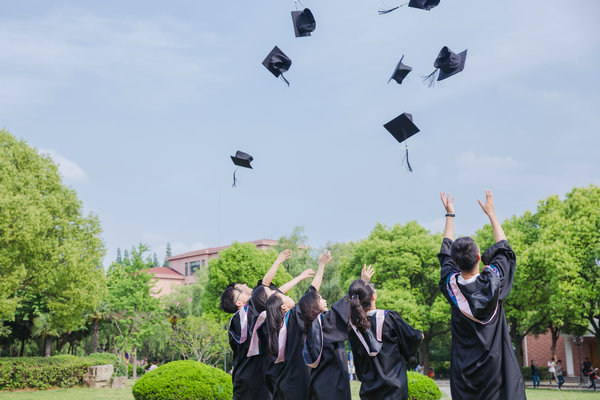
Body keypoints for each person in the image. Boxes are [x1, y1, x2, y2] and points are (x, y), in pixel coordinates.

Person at [438, 190, 526, 400]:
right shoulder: (494, 282)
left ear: (455, 262)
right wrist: (492, 214)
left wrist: (449, 216)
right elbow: (504, 250)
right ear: (479, 256)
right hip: (496, 373)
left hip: (464, 375)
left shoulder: (450, 285)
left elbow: (445, 252)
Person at [220, 249, 313, 400]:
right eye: (239, 289)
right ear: (238, 302)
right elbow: (265, 285)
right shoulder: (241, 316)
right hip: (249, 378)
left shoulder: (251, 311)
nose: (244, 285)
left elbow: (276, 293)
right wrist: (278, 261)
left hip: (260, 374)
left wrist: (300, 277)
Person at [263, 250, 333, 400]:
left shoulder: (273, 327)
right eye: (285, 296)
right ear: (283, 307)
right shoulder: (294, 317)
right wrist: (321, 266)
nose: (288, 295)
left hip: (282, 384)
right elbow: (312, 292)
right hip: (297, 384)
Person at [347, 269, 423, 400]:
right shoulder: (389, 318)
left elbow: (358, 363)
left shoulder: (354, 328)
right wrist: (420, 336)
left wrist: (363, 283)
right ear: (373, 296)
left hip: (369, 390)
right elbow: (413, 338)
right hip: (395, 388)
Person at [298, 257, 365, 400]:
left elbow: (309, 294)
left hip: (316, 385)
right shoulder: (325, 322)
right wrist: (362, 284)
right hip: (333, 385)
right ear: (313, 305)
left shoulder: (305, 323)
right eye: (321, 299)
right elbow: (346, 303)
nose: (325, 300)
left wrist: (321, 265)